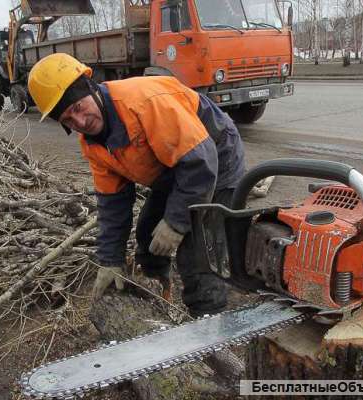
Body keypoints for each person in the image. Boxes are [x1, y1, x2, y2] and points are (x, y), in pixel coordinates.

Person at [27, 53, 246, 317]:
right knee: (148, 235)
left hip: (215, 158)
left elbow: (200, 164)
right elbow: (112, 203)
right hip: (175, 167)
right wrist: (111, 260)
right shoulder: (93, 145)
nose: (81, 122)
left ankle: (210, 319)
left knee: (197, 249)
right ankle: (157, 296)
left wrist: (176, 223)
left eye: (78, 108)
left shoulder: (142, 103)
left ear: (91, 88)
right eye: (69, 121)